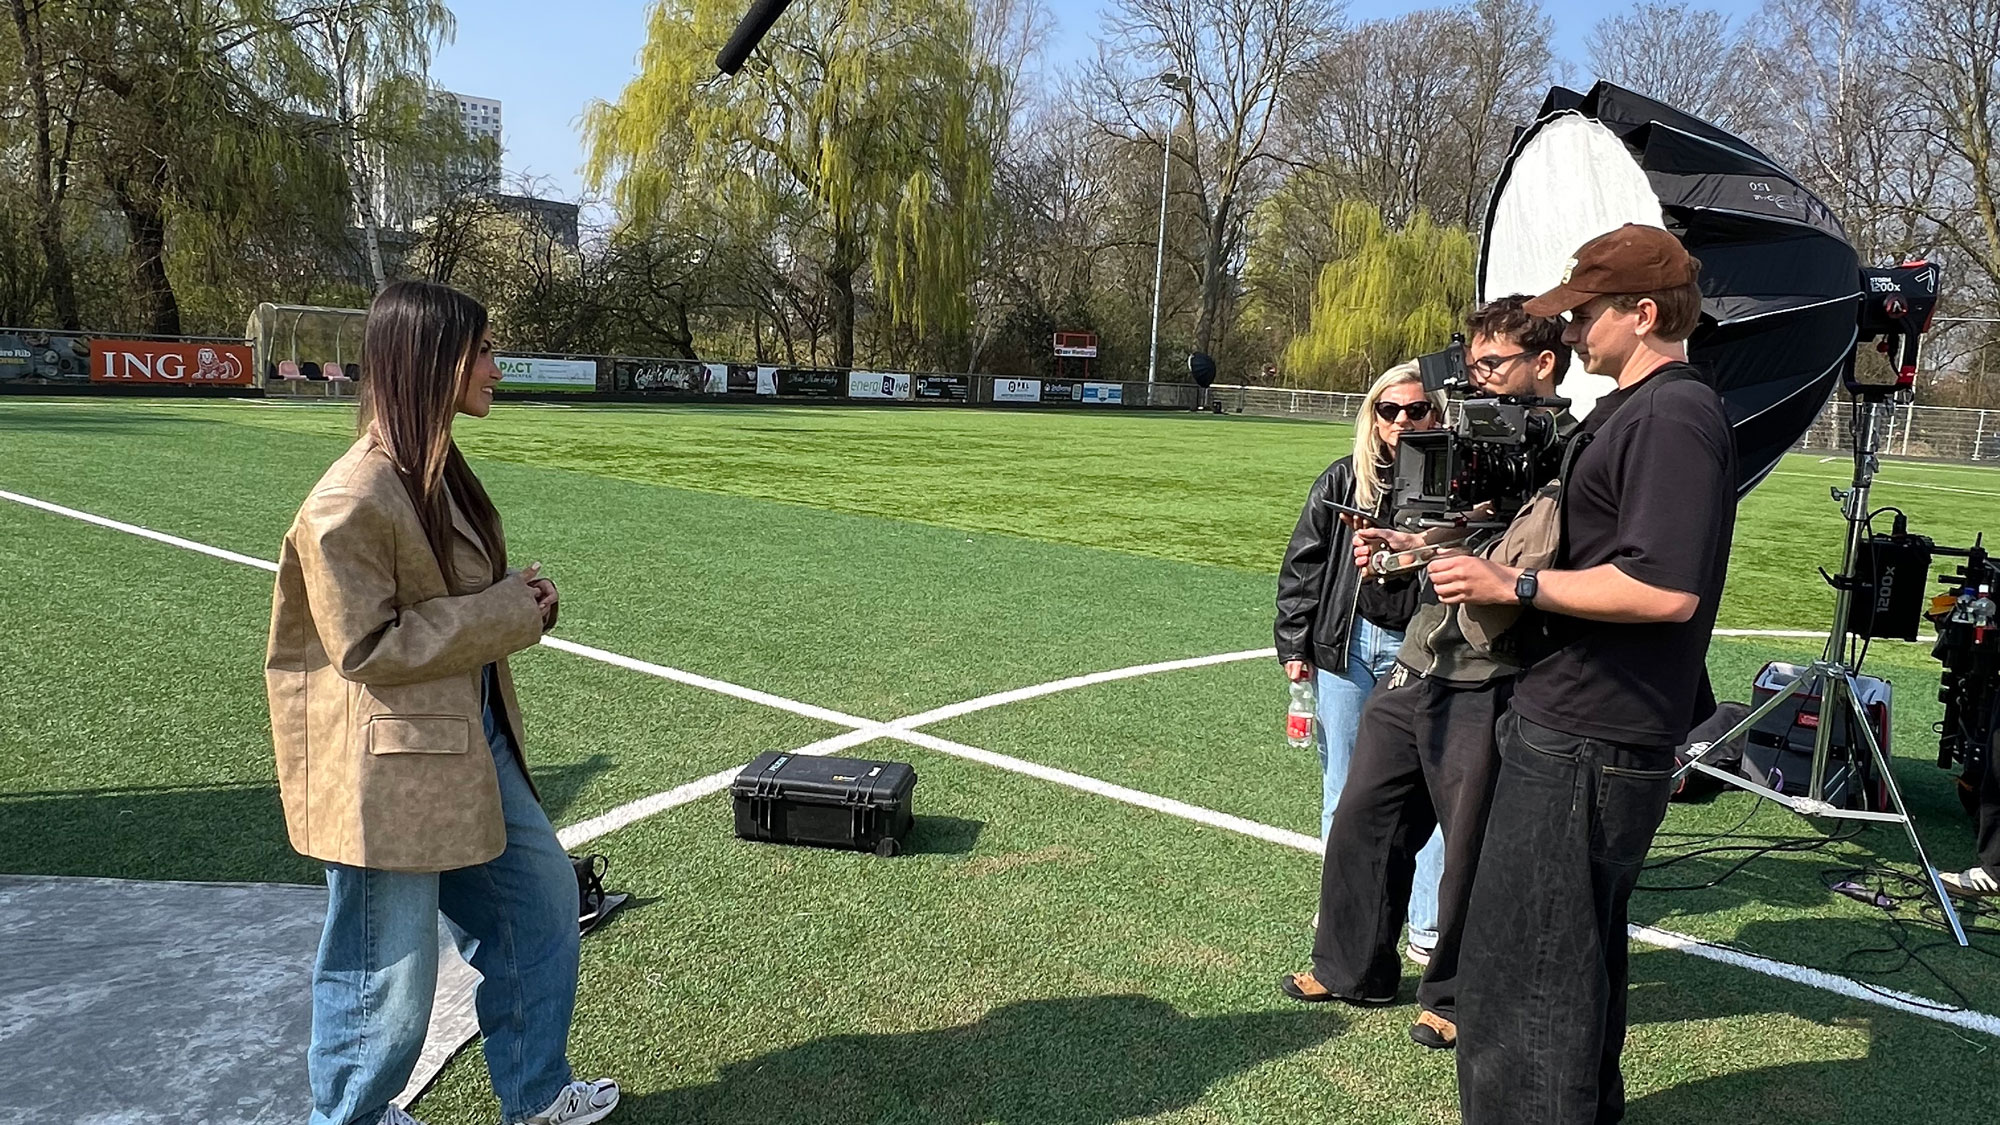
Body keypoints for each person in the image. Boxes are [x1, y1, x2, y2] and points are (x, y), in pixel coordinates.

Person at [265, 281, 620, 1125]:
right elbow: (366, 647)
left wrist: (518, 603)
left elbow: (445, 606)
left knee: (541, 907)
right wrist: (501, 612)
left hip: (467, 741)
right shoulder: (350, 498)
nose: (498, 367)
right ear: (434, 361)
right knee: (385, 983)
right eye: (484, 350)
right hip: (387, 772)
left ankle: (536, 1094)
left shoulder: (435, 471)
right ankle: (349, 1119)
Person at [1439, 226, 1737, 1125]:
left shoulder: (1673, 416)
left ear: (1643, 314)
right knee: (1558, 959)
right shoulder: (1636, 408)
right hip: (1573, 722)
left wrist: (1515, 585)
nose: (1568, 333)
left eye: (1584, 315)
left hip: (1594, 735)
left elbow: (1663, 587)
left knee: (1530, 973)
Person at [1278, 298, 1576, 1054]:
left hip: (1494, 668)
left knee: (1470, 843)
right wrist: (1406, 546)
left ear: (1544, 364)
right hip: (1421, 658)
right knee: (1364, 815)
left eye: (1491, 364)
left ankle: (1455, 994)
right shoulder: (1473, 438)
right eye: (1473, 365)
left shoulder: (1572, 451)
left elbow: (1526, 557)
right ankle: (1350, 966)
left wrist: (1457, 550)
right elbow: (1465, 526)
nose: (1476, 381)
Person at [1275, 362, 1446, 934]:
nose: (1401, 421)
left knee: (1428, 790)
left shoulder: (1452, 487)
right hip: (1345, 649)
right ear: (1372, 417)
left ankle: (1426, 924)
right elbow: (1304, 565)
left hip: (1420, 649)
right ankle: (1343, 917)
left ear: (1437, 413)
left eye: (1416, 410)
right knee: (1344, 788)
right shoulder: (1343, 480)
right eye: (1388, 410)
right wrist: (1294, 643)